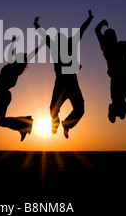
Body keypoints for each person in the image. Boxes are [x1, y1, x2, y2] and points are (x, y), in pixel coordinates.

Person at [33, 10, 93, 138]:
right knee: (55, 110)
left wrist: (90, 19)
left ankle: (66, 125)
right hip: (63, 82)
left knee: (79, 109)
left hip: (69, 82)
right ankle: (56, 122)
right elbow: (45, 36)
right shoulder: (58, 46)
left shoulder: (67, 44)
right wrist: (36, 25)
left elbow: (81, 31)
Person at [0, 36, 44, 141]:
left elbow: (30, 55)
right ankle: (24, 124)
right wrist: (13, 43)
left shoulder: (15, 68)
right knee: (0, 121)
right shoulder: (15, 67)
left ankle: (25, 123)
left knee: (0, 121)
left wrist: (41, 45)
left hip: (3, 95)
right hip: (3, 94)